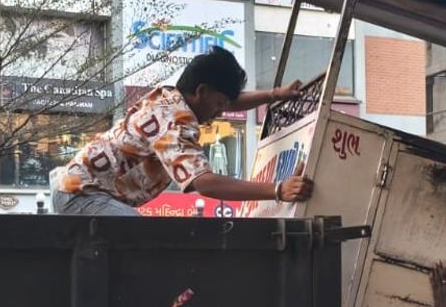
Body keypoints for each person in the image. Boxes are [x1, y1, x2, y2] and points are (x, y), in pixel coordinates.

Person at [51, 48, 312, 215]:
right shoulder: (175, 123)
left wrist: (274, 94)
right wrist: (277, 189)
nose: (219, 114)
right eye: (219, 105)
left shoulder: (169, 97)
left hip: (77, 187)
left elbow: (231, 99)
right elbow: (203, 182)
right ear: (201, 92)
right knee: (136, 235)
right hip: (82, 194)